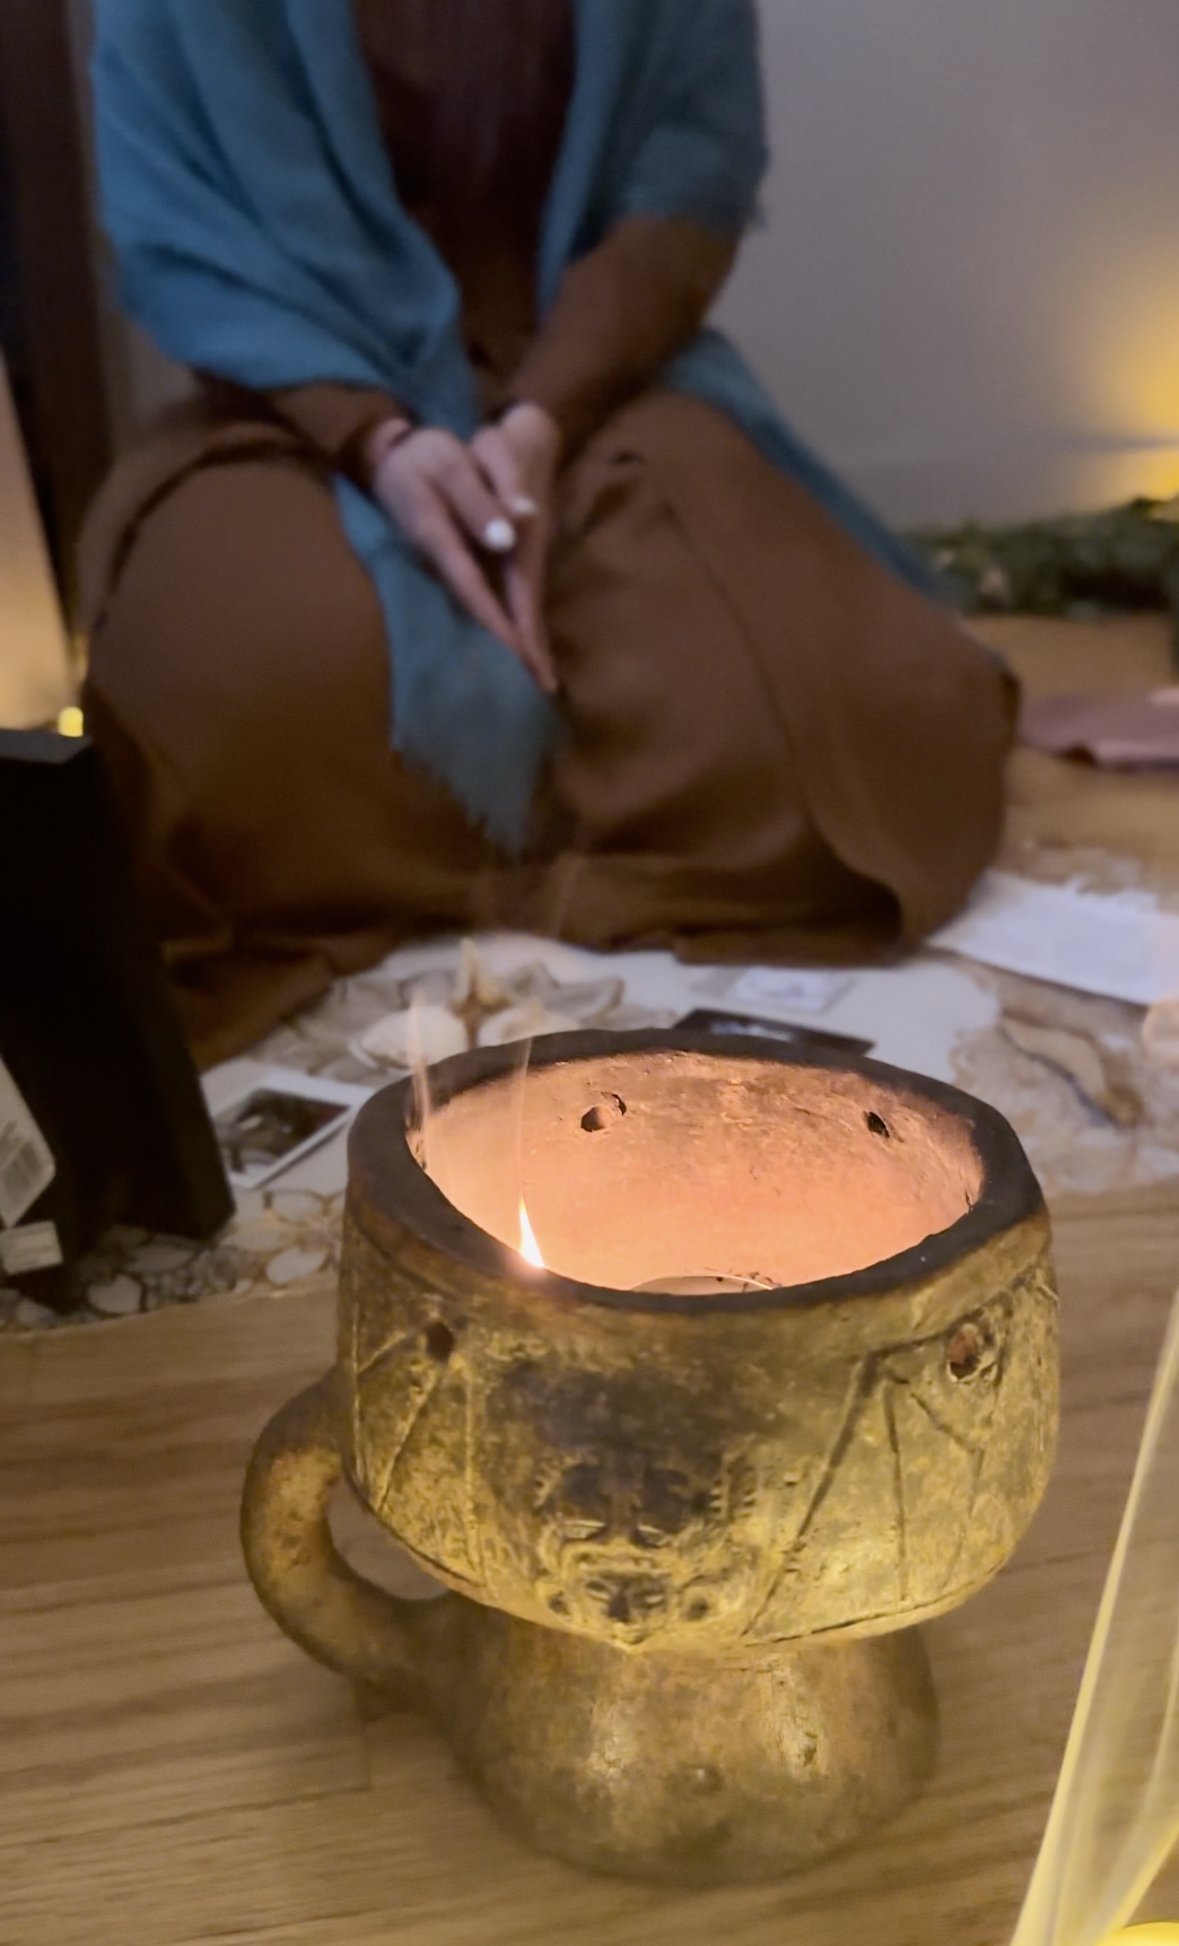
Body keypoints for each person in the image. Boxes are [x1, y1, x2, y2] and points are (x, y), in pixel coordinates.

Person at [82, 0, 1015, 1070]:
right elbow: (179, 234)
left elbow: (685, 193)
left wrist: (538, 421)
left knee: (846, 709)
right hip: (298, 399)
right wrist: (374, 436)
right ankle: (496, 843)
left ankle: (434, 859)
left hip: (586, 388)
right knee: (252, 681)